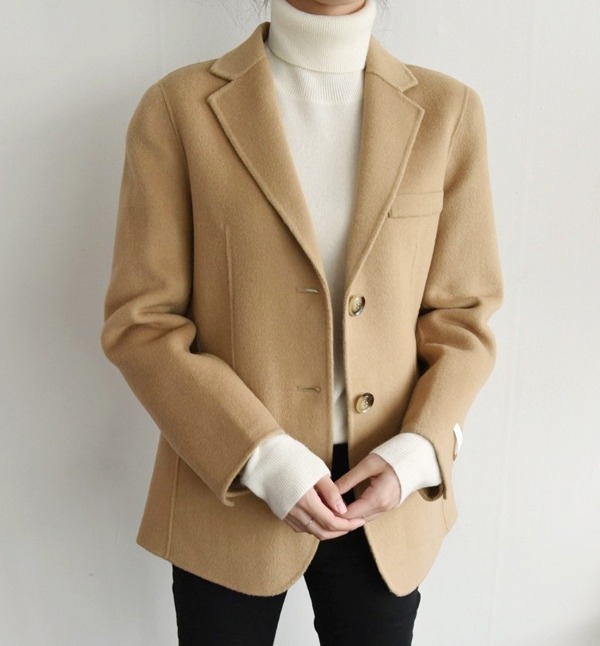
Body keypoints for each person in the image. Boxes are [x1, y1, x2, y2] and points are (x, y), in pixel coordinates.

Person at [101, 0, 503, 643]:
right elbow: (142, 322)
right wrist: (260, 456)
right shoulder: (179, 109)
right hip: (226, 484)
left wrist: (419, 452)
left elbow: (463, 318)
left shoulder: (448, 112)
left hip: (384, 493)